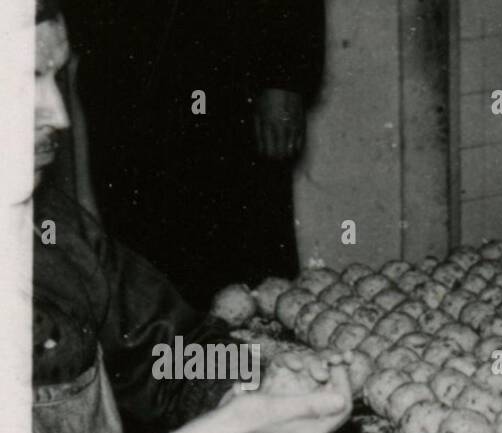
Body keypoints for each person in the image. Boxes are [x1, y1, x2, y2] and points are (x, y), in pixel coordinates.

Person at [24, 1, 471, 433]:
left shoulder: (47, 229)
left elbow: (160, 356)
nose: (59, 113)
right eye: (23, 80)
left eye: (55, 74)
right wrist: (232, 425)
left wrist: (251, 376)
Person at [61, 0, 324, 309]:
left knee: (248, 279)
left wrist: (285, 77)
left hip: (231, 81)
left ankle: (245, 355)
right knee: (140, 269)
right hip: (125, 78)